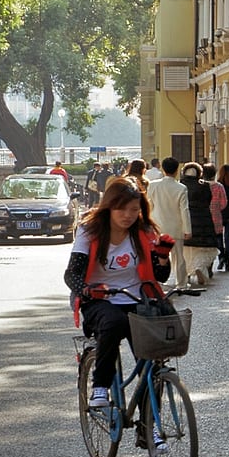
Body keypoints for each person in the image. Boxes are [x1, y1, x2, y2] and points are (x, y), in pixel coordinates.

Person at [62, 179, 174, 431]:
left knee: (153, 359)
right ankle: (100, 388)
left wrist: (164, 257)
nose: (128, 216)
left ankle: (150, 424)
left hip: (137, 299)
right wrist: (88, 289)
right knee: (115, 323)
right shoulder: (89, 231)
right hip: (99, 301)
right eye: (122, 209)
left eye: (134, 210)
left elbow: (160, 276)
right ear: (109, 207)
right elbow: (72, 274)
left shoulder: (144, 231)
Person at [179, 162, 225, 287]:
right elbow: (208, 200)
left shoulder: (181, 185)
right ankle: (199, 267)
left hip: (187, 220)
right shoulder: (204, 186)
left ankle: (187, 273)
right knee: (202, 249)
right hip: (204, 219)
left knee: (186, 250)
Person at [147, 157, 189, 257]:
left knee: (158, 256)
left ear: (163, 169)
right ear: (177, 170)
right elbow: (184, 210)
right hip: (176, 228)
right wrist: (187, 230)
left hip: (158, 226)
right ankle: (180, 274)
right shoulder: (181, 188)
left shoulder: (152, 185)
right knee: (179, 258)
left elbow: (149, 206)